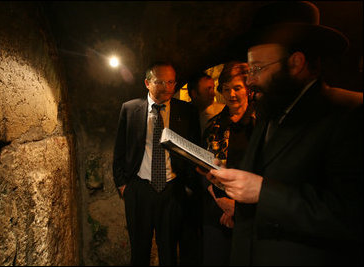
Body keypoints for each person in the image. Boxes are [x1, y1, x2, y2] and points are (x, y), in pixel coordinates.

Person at [207, 1, 363, 265]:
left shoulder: (349, 113)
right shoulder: (270, 109)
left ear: (296, 63)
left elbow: (350, 215)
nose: (251, 81)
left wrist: (262, 193)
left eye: (256, 69)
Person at [112, 61, 201, 265]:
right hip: (139, 188)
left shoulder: (187, 112)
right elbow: (119, 150)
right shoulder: (130, 109)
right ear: (147, 83)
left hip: (172, 189)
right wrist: (123, 185)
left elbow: (194, 150)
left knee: (169, 251)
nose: (166, 88)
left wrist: (187, 185)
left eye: (171, 82)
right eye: (160, 82)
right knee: (140, 250)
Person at [200, 61, 255, 265]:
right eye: (226, 89)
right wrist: (222, 202)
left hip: (251, 214)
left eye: (237, 88)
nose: (231, 94)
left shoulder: (262, 124)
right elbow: (202, 169)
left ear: (248, 89)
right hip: (216, 211)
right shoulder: (213, 126)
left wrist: (237, 209)